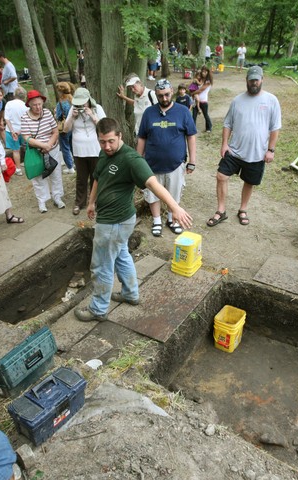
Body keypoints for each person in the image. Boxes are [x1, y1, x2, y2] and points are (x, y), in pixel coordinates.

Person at [73, 118, 193, 322]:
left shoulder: (131, 159)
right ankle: (130, 294)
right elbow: (98, 177)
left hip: (115, 221)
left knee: (101, 265)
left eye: (111, 141)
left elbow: (154, 184)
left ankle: (98, 309)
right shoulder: (104, 152)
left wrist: (175, 208)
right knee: (121, 254)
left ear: (120, 135)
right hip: (114, 220)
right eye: (102, 142)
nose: (107, 146)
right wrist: (91, 202)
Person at [208, 66, 281, 228]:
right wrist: (224, 144)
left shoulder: (271, 100)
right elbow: (227, 124)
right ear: (246, 80)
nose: (254, 82)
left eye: (257, 79)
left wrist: (271, 149)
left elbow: (275, 127)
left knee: (249, 182)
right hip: (234, 150)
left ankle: (243, 209)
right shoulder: (237, 100)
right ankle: (221, 210)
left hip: (257, 152)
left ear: (262, 80)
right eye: (251, 80)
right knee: (221, 176)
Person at [137, 78, 197, 237]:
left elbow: (191, 136)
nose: (164, 98)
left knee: (174, 192)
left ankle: (172, 219)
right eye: (160, 95)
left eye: (167, 94)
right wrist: (137, 160)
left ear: (172, 92)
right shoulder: (149, 113)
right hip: (151, 164)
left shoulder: (183, 111)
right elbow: (142, 137)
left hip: (175, 164)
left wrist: (192, 161)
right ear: (155, 95)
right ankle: (157, 221)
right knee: (152, 194)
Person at [20, 90, 65, 213]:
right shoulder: (25, 118)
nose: (38, 107)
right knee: (38, 177)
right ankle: (42, 201)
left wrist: (49, 145)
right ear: (29, 104)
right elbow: (27, 137)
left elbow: (55, 131)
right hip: (37, 152)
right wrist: (43, 145)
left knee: (56, 173)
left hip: (52, 149)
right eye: (35, 104)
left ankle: (57, 197)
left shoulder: (47, 113)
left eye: (40, 104)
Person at [65, 87, 106, 216]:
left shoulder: (97, 108)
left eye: (84, 102)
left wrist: (93, 116)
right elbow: (66, 129)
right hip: (79, 149)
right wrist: (72, 117)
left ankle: (98, 202)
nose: (81, 105)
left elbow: (105, 127)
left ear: (89, 100)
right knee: (81, 178)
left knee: (96, 177)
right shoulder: (73, 109)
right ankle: (79, 203)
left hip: (95, 149)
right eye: (79, 102)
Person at [3, 87, 28, 176]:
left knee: (15, 150)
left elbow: (6, 118)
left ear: (14, 94)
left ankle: (18, 169)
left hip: (11, 131)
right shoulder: (25, 105)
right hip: (24, 130)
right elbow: (27, 120)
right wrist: (19, 131)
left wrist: (12, 131)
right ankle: (29, 165)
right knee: (28, 148)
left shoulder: (9, 104)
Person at [54, 81, 76, 175]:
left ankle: (70, 167)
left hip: (63, 127)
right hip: (73, 126)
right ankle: (75, 163)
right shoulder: (72, 101)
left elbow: (58, 116)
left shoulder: (61, 103)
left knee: (65, 147)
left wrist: (55, 113)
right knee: (72, 146)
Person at [191, 66, 213, 133]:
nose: (203, 73)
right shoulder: (199, 79)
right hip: (196, 100)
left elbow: (201, 90)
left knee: (205, 115)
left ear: (208, 72)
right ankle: (193, 128)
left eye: (205, 71)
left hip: (203, 100)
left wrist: (192, 93)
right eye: (202, 71)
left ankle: (209, 127)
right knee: (194, 115)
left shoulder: (208, 81)